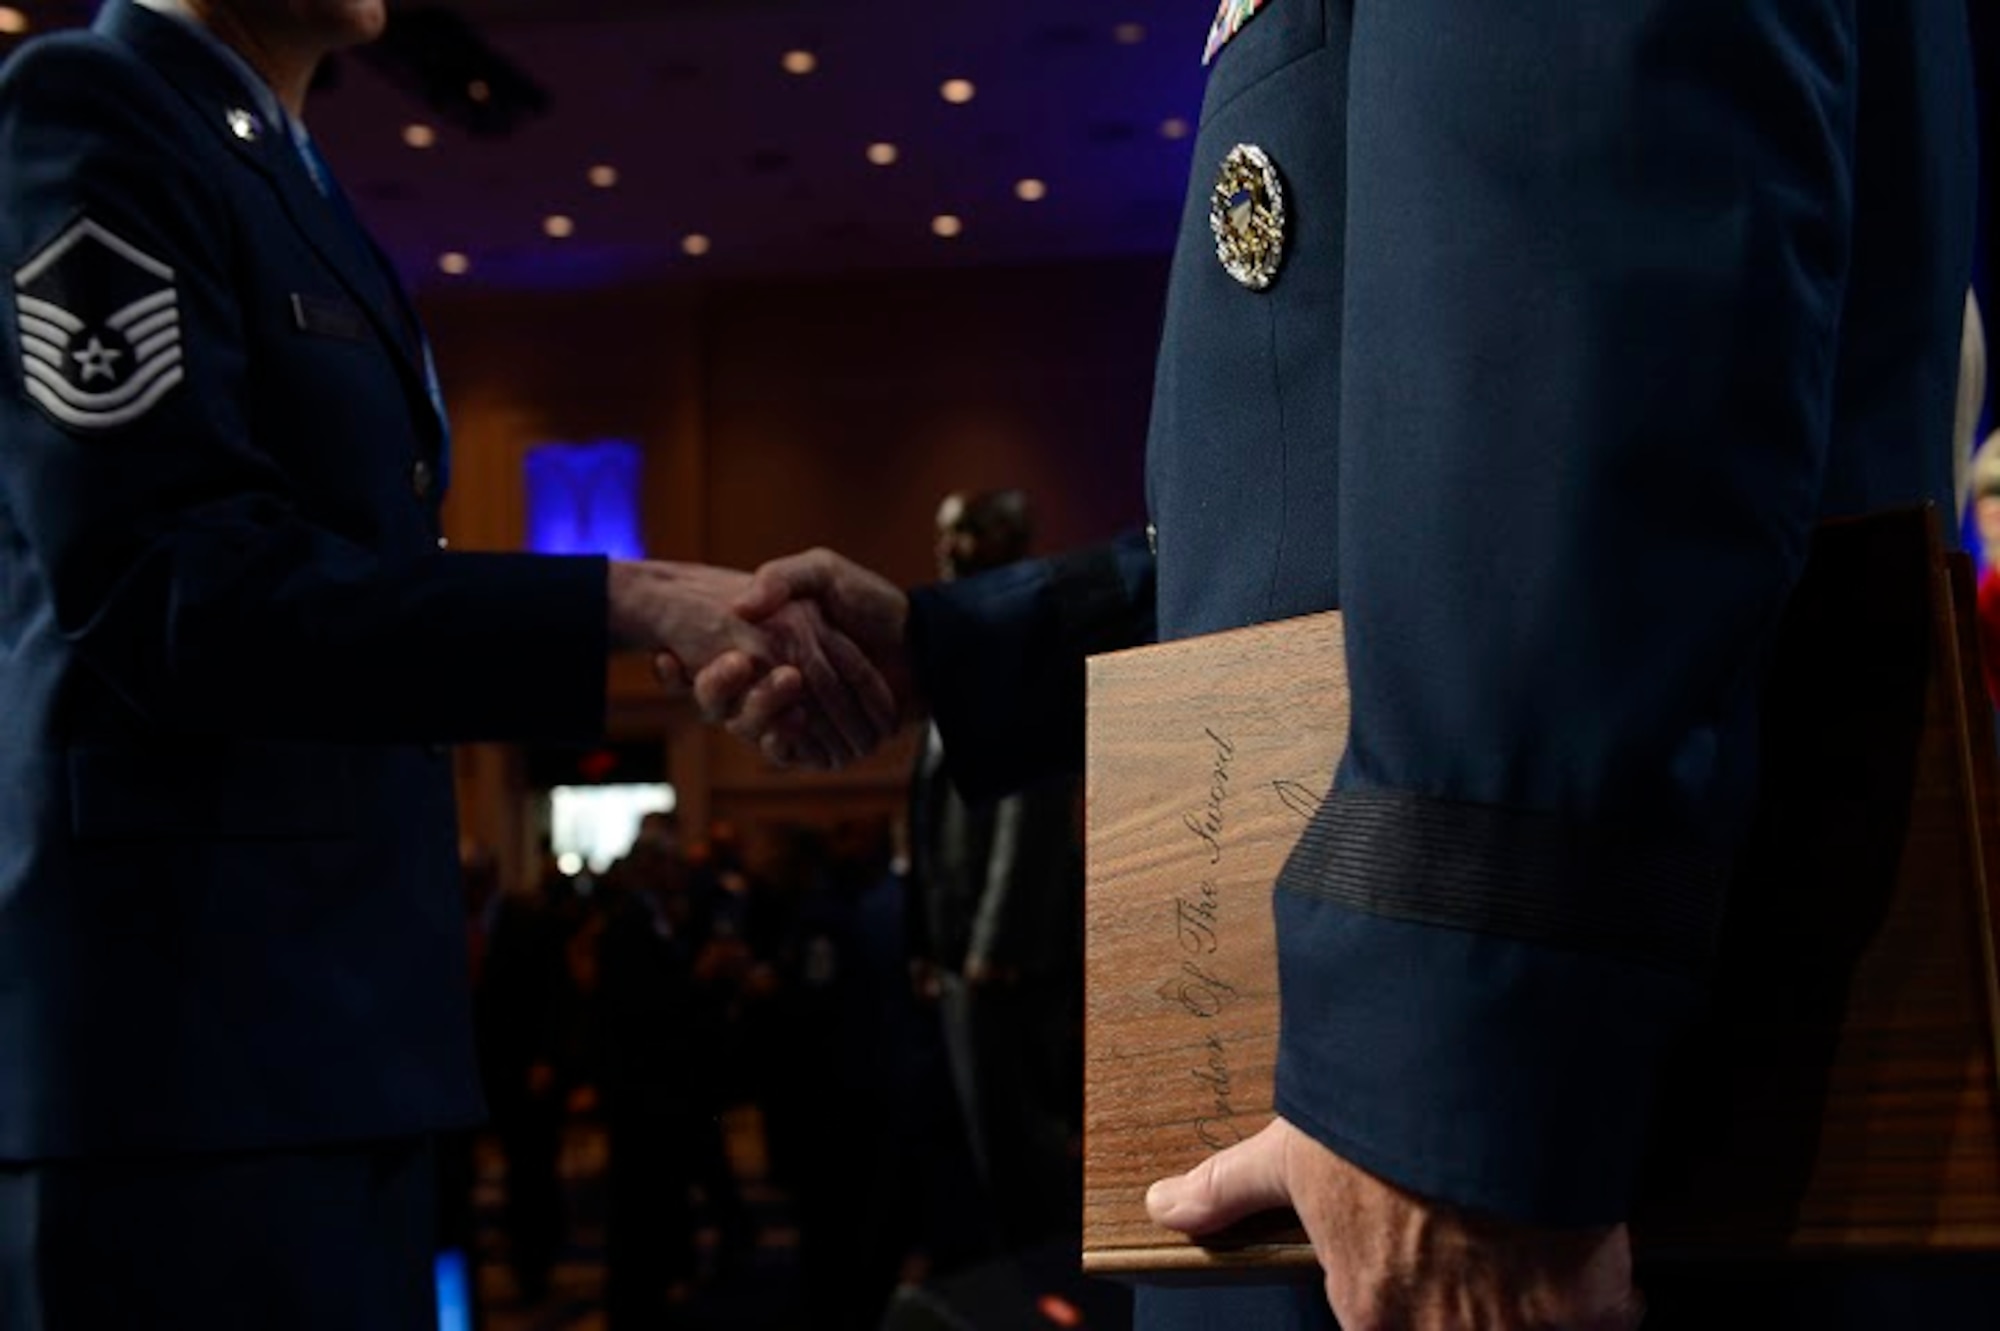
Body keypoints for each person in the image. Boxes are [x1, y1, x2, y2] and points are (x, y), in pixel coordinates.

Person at [686, 1, 1991, 1327]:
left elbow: (1567, 382)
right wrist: (962, 649)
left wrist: (1453, 1075)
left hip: (1493, 1134)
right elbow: (1334, 495)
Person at [0, 4, 886, 1329]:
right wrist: (625, 595)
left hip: (324, 1039)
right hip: (174, 1061)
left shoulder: (276, 159)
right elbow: (175, 590)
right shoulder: (88, 112)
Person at [907, 489, 1085, 1254]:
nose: (945, 550)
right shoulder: (963, 647)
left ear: (1006, 540)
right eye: (942, 534)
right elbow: (925, 816)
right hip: (960, 952)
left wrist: (994, 943)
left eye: (964, 535)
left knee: (1024, 1150)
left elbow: (1030, 805)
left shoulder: (1023, 641)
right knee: (985, 1148)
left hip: (1003, 961)